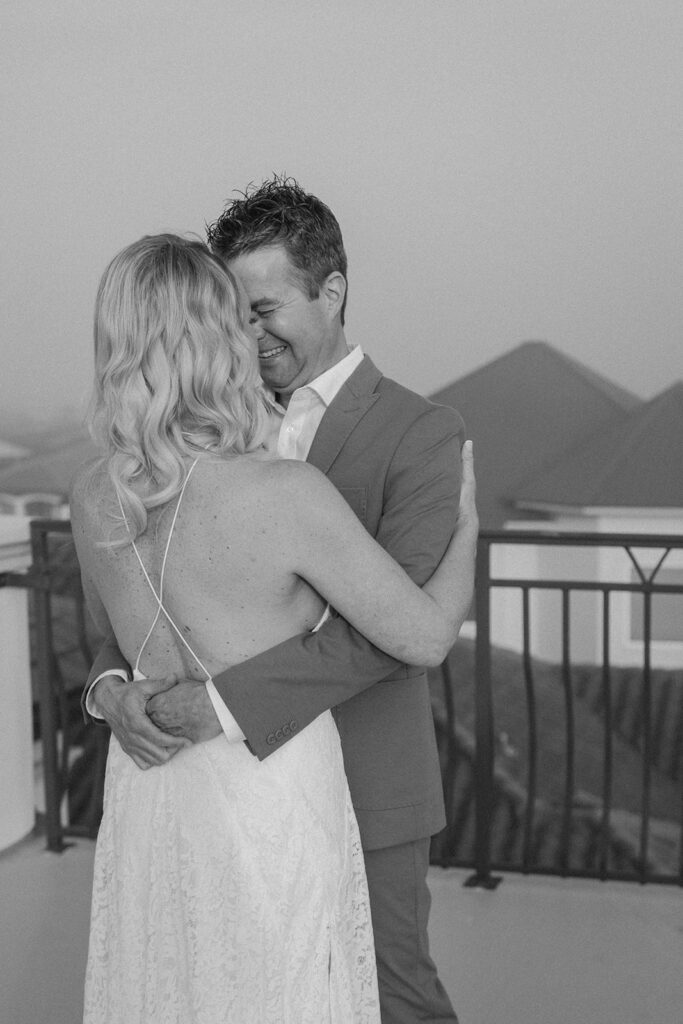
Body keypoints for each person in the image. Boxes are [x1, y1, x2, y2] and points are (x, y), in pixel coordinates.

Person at [84, 178, 469, 1023]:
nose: (250, 334)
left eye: (264, 308)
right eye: (234, 314)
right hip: (231, 785)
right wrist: (113, 686)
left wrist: (210, 703)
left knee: (391, 986)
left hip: (361, 769)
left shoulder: (421, 431)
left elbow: (378, 641)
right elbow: (138, 616)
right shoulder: (223, 445)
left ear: (329, 292)